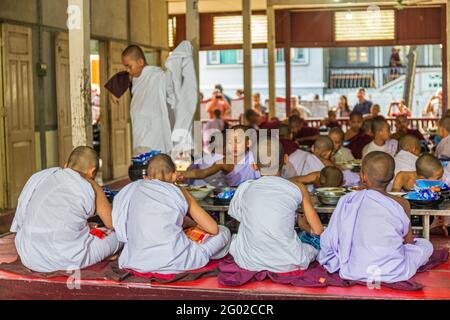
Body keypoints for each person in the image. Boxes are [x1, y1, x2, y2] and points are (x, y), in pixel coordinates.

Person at [319, 151, 433, 283]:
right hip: (393, 271)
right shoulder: (402, 203)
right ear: (392, 177)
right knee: (426, 245)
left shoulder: (348, 200)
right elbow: (408, 242)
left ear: (362, 177)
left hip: (354, 269)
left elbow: (331, 239)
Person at [113, 154, 231, 274]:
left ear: (146, 176)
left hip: (136, 260)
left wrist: (189, 223)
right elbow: (213, 229)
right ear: (174, 175)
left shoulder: (131, 190)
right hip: (175, 260)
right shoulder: (179, 191)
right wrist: (196, 225)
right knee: (224, 232)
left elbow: (122, 229)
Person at [11, 146, 120, 272]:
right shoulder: (91, 184)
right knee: (118, 236)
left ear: (66, 165)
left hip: (29, 256)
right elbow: (112, 223)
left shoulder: (43, 177)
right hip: (64, 259)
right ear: (92, 171)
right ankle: (103, 254)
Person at [229, 136, 323, 272]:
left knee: (233, 239)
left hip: (250, 261)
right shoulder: (298, 188)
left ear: (254, 165)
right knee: (313, 248)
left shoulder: (244, 188)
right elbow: (318, 230)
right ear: (286, 159)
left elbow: (239, 219)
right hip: (289, 262)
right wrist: (303, 226)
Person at [122, 45, 172, 154]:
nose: (127, 70)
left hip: (154, 136)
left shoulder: (157, 76)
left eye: (129, 66)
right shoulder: (136, 79)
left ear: (140, 62)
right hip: (139, 135)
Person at [181, 126, 261, 187]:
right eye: (230, 142)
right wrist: (179, 174)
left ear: (248, 143)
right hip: (234, 197)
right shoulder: (224, 162)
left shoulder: (255, 157)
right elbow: (203, 173)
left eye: (238, 142)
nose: (233, 146)